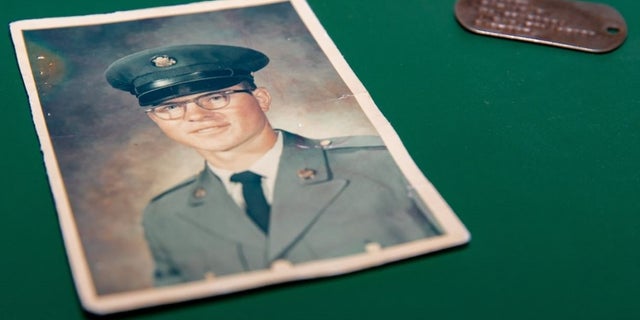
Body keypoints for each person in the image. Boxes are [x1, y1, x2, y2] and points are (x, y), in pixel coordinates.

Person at [105, 44, 441, 286]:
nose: (195, 115)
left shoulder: (377, 162)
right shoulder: (167, 216)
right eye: (169, 107)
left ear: (262, 99)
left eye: (216, 97)